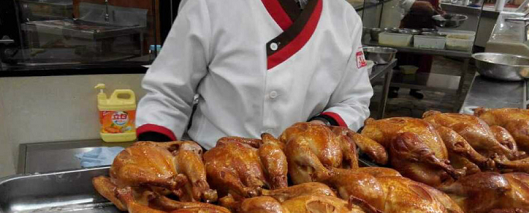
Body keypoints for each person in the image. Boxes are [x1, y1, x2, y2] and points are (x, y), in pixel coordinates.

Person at [136, 0, 373, 148]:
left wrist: (320, 127)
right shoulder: (210, 5)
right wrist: (154, 155)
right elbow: (169, 94)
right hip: (211, 167)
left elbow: (354, 100)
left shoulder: (345, 18)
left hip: (301, 174)